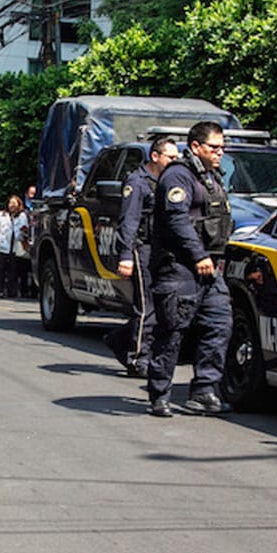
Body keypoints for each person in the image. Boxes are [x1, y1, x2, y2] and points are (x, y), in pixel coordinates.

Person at [146, 121, 233, 417]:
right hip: (179, 268)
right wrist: (198, 255)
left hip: (209, 268)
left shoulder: (210, 177)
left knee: (219, 324)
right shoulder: (178, 176)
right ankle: (159, 394)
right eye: (214, 147)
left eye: (222, 147)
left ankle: (205, 390)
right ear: (196, 146)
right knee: (172, 331)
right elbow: (176, 221)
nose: (220, 152)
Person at [106, 137, 179, 378]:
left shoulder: (168, 181)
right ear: (155, 157)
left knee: (162, 306)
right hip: (141, 248)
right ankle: (138, 358)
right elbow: (129, 220)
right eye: (171, 157)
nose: (175, 162)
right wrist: (126, 255)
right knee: (146, 306)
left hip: (162, 251)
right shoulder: (137, 182)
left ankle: (119, 340)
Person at [0, 195, 29, 298]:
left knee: (13, 273)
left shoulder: (22, 216)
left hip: (15, 248)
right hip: (2, 247)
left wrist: (22, 234)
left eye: (14, 203)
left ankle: (12, 292)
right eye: (10, 203)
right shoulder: (2, 215)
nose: (12, 205)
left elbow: (24, 230)